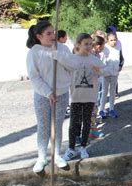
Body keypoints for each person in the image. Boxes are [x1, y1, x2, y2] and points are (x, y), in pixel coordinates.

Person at [26, 20, 70, 174]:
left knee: (57, 125)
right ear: (39, 36)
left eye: (53, 32)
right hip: (42, 95)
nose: (53, 36)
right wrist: (48, 92)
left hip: (62, 94)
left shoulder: (62, 48)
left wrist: (60, 57)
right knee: (43, 126)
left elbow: (72, 67)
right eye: (48, 33)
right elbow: (34, 77)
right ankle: (42, 157)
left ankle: (57, 155)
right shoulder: (34, 53)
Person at [53, 33, 104, 161]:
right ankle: (71, 148)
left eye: (90, 44)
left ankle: (83, 147)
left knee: (87, 122)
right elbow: (61, 65)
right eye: (85, 44)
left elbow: (105, 71)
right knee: (74, 123)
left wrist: (100, 71)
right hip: (76, 97)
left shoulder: (95, 60)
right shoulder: (72, 59)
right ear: (78, 45)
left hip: (90, 97)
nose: (88, 46)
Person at [99, 32, 121, 119]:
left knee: (112, 92)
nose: (113, 42)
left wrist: (119, 66)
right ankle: (101, 110)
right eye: (111, 40)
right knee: (104, 92)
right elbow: (101, 61)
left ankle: (111, 109)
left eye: (115, 40)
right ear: (107, 41)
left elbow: (121, 59)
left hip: (114, 74)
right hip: (105, 74)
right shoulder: (104, 49)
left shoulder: (118, 48)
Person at [89, 35, 106, 140]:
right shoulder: (92, 56)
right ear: (98, 46)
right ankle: (92, 131)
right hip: (90, 86)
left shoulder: (96, 55)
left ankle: (92, 129)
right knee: (92, 109)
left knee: (94, 108)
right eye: (103, 45)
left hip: (95, 84)